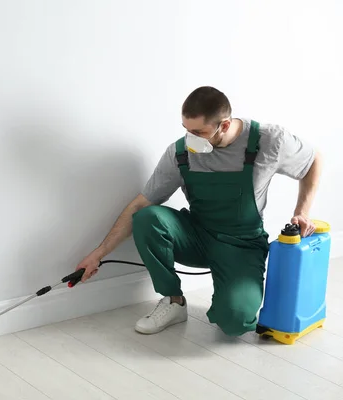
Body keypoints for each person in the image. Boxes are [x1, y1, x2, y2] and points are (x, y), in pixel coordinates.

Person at [75, 86, 322, 336]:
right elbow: (141, 203)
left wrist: (302, 211)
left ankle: (233, 292)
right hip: (197, 236)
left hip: (242, 244)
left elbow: (313, 160)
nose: (189, 137)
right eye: (185, 129)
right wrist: (99, 252)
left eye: (198, 132)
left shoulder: (268, 140)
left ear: (223, 125)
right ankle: (173, 301)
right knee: (147, 218)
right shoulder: (180, 152)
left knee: (235, 323)